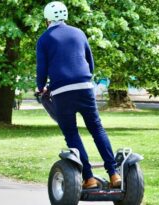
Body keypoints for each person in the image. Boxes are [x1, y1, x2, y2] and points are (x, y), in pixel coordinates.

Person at [36, 1, 121, 189]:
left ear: (47, 19)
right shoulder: (79, 33)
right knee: (97, 128)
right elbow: (90, 64)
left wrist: (40, 87)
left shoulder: (44, 39)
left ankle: (89, 178)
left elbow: (41, 69)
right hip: (84, 87)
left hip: (62, 92)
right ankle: (114, 174)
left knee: (71, 133)